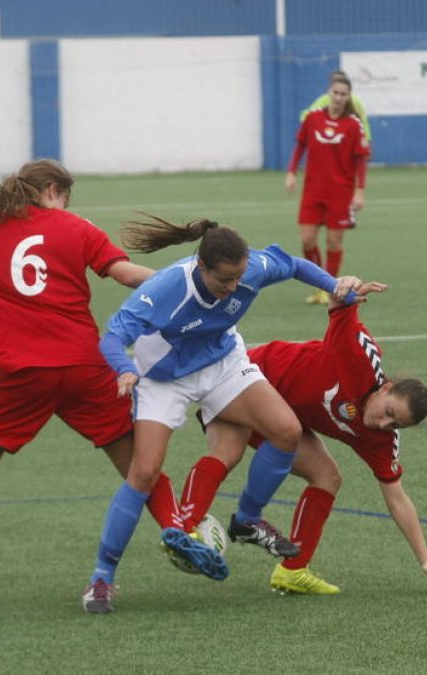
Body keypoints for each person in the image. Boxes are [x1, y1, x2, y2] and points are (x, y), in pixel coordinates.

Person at [0, 158, 179, 612]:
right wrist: (184, 285)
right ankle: (180, 531)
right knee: (139, 466)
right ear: (54, 189)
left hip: (21, 374)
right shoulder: (77, 228)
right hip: (86, 368)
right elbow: (127, 274)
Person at [83, 214, 366, 614]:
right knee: (144, 472)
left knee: (285, 430)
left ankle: (247, 519)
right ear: (201, 267)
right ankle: (101, 577)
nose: (235, 286)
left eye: (239, 277)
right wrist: (125, 369)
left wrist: (335, 285)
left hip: (222, 362)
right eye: (225, 281)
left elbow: (295, 264)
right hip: (164, 376)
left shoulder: (250, 269)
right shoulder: (169, 287)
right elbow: (113, 335)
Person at [177, 293, 427, 595]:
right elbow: (339, 306)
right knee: (227, 452)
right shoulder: (358, 359)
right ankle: (184, 530)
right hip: (247, 377)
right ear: (386, 387)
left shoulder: (380, 438)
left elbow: (398, 499)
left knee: (328, 477)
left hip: (286, 418)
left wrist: (426, 561)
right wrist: (347, 288)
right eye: (388, 413)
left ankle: (293, 570)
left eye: (396, 424)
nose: (384, 424)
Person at [286, 73, 372, 305]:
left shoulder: (354, 125)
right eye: (335, 93)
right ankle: (319, 285)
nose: (338, 97)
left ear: (348, 97)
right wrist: (291, 173)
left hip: (340, 193)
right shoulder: (313, 118)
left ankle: (329, 288)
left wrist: (359, 190)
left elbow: (360, 160)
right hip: (313, 191)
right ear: (328, 94)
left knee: (333, 242)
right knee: (307, 240)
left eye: (343, 94)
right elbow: (300, 146)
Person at [299, 69, 373, 143]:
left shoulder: (356, 102)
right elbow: (305, 117)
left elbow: (364, 123)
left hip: (348, 143)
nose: (338, 98)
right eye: (335, 81)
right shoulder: (323, 100)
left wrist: (366, 141)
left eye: (342, 80)